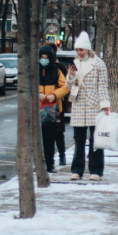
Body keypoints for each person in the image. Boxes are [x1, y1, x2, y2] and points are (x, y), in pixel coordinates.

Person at [66, 32, 111, 181]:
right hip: (78, 103)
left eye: (81, 50)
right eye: (77, 50)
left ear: (88, 49)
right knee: (78, 139)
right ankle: (77, 170)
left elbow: (103, 86)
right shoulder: (74, 63)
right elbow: (68, 86)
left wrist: (105, 105)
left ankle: (96, 170)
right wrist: (71, 75)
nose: (79, 53)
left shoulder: (99, 63)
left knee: (95, 140)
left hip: (94, 103)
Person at [39, 44, 69, 173]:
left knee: (50, 138)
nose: (44, 59)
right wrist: (37, 94)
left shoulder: (56, 70)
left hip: (52, 109)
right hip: (38, 109)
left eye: (46, 57)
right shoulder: (35, 70)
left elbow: (65, 87)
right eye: (42, 57)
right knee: (38, 138)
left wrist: (54, 95)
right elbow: (27, 86)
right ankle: (40, 163)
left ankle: (50, 164)